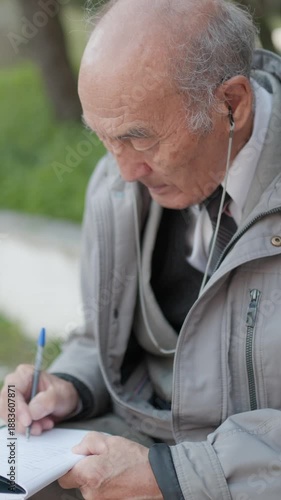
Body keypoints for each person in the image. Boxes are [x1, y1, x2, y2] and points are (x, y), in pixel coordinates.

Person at [1, 0, 281, 498]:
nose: (125, 172)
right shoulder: (116, 184)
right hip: (137, 443)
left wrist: (173, 479)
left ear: (233, 104)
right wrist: (66, 386)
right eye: (105, 140)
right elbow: (100, 334)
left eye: (140, 139)